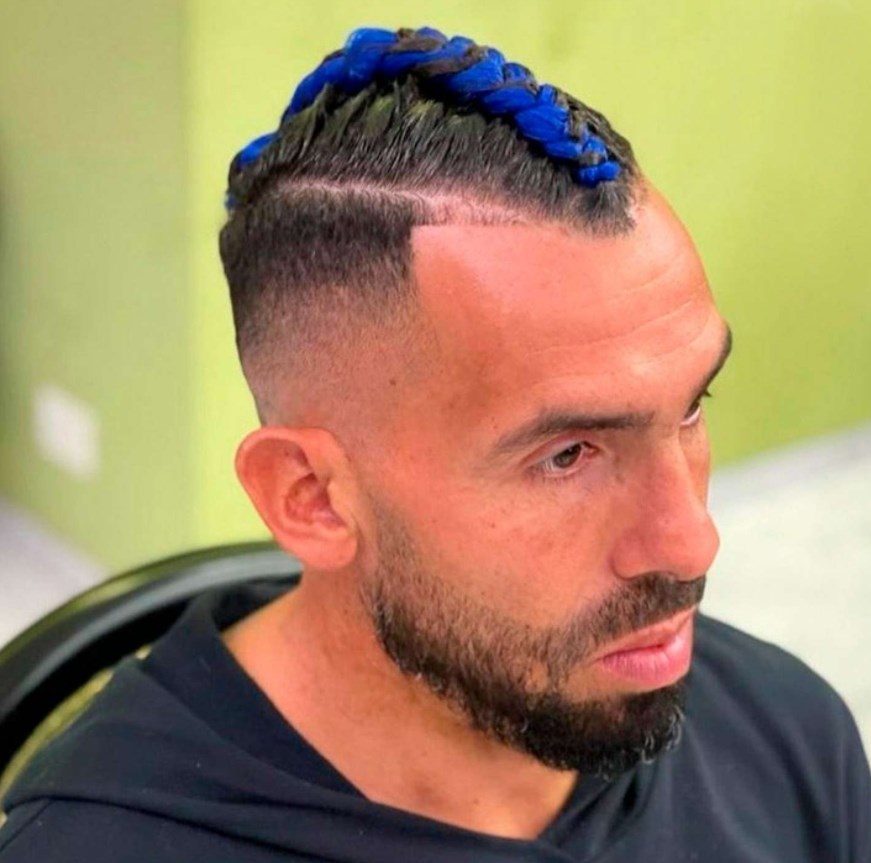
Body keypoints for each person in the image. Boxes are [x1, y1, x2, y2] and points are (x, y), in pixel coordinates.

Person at [1, 25, 868, 862]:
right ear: (311, 496)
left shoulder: (787, 739)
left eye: (689, 407)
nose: (689, 542)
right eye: (566, 454)